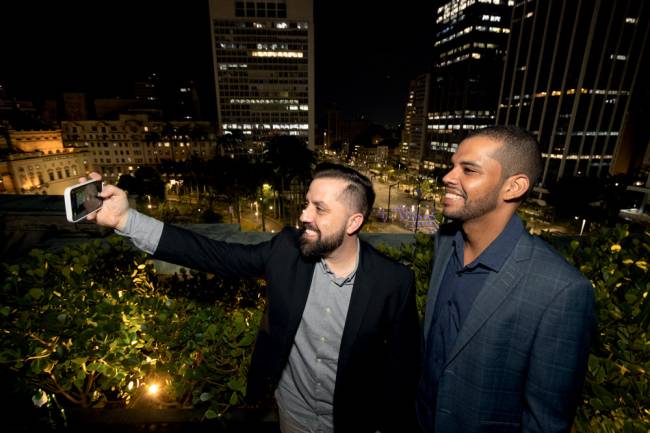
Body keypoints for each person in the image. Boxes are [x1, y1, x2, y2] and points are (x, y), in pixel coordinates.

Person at [82, 162, 421, 433]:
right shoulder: (285, 250)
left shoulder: (394, 281)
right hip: (294, 414)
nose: (304, 215)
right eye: (306, 204)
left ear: (354, 222)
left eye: (319, 208)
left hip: (356, 421)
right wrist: (126, 220)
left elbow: (403, 366)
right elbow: (213, 254)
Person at [416, 126, 595, 432]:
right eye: (453, 165)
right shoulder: (444, 244)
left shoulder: (561, 291)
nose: (447, 176)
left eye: (469, 169)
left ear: (513, 187)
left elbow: (546, 422)